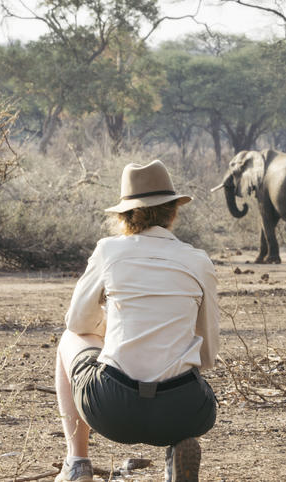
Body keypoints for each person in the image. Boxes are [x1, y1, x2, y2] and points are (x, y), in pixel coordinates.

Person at [53, 160, 219, 482]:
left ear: (125, 215)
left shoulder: (109, 251)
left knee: (67, 340)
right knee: (180, 365)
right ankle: (176, 448)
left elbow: (77, 322)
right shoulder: (198, 261)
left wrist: (110, 327)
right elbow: (208, 354)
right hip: (184, 410)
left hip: (113, 409)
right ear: (172, 211)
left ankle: (77, 462)